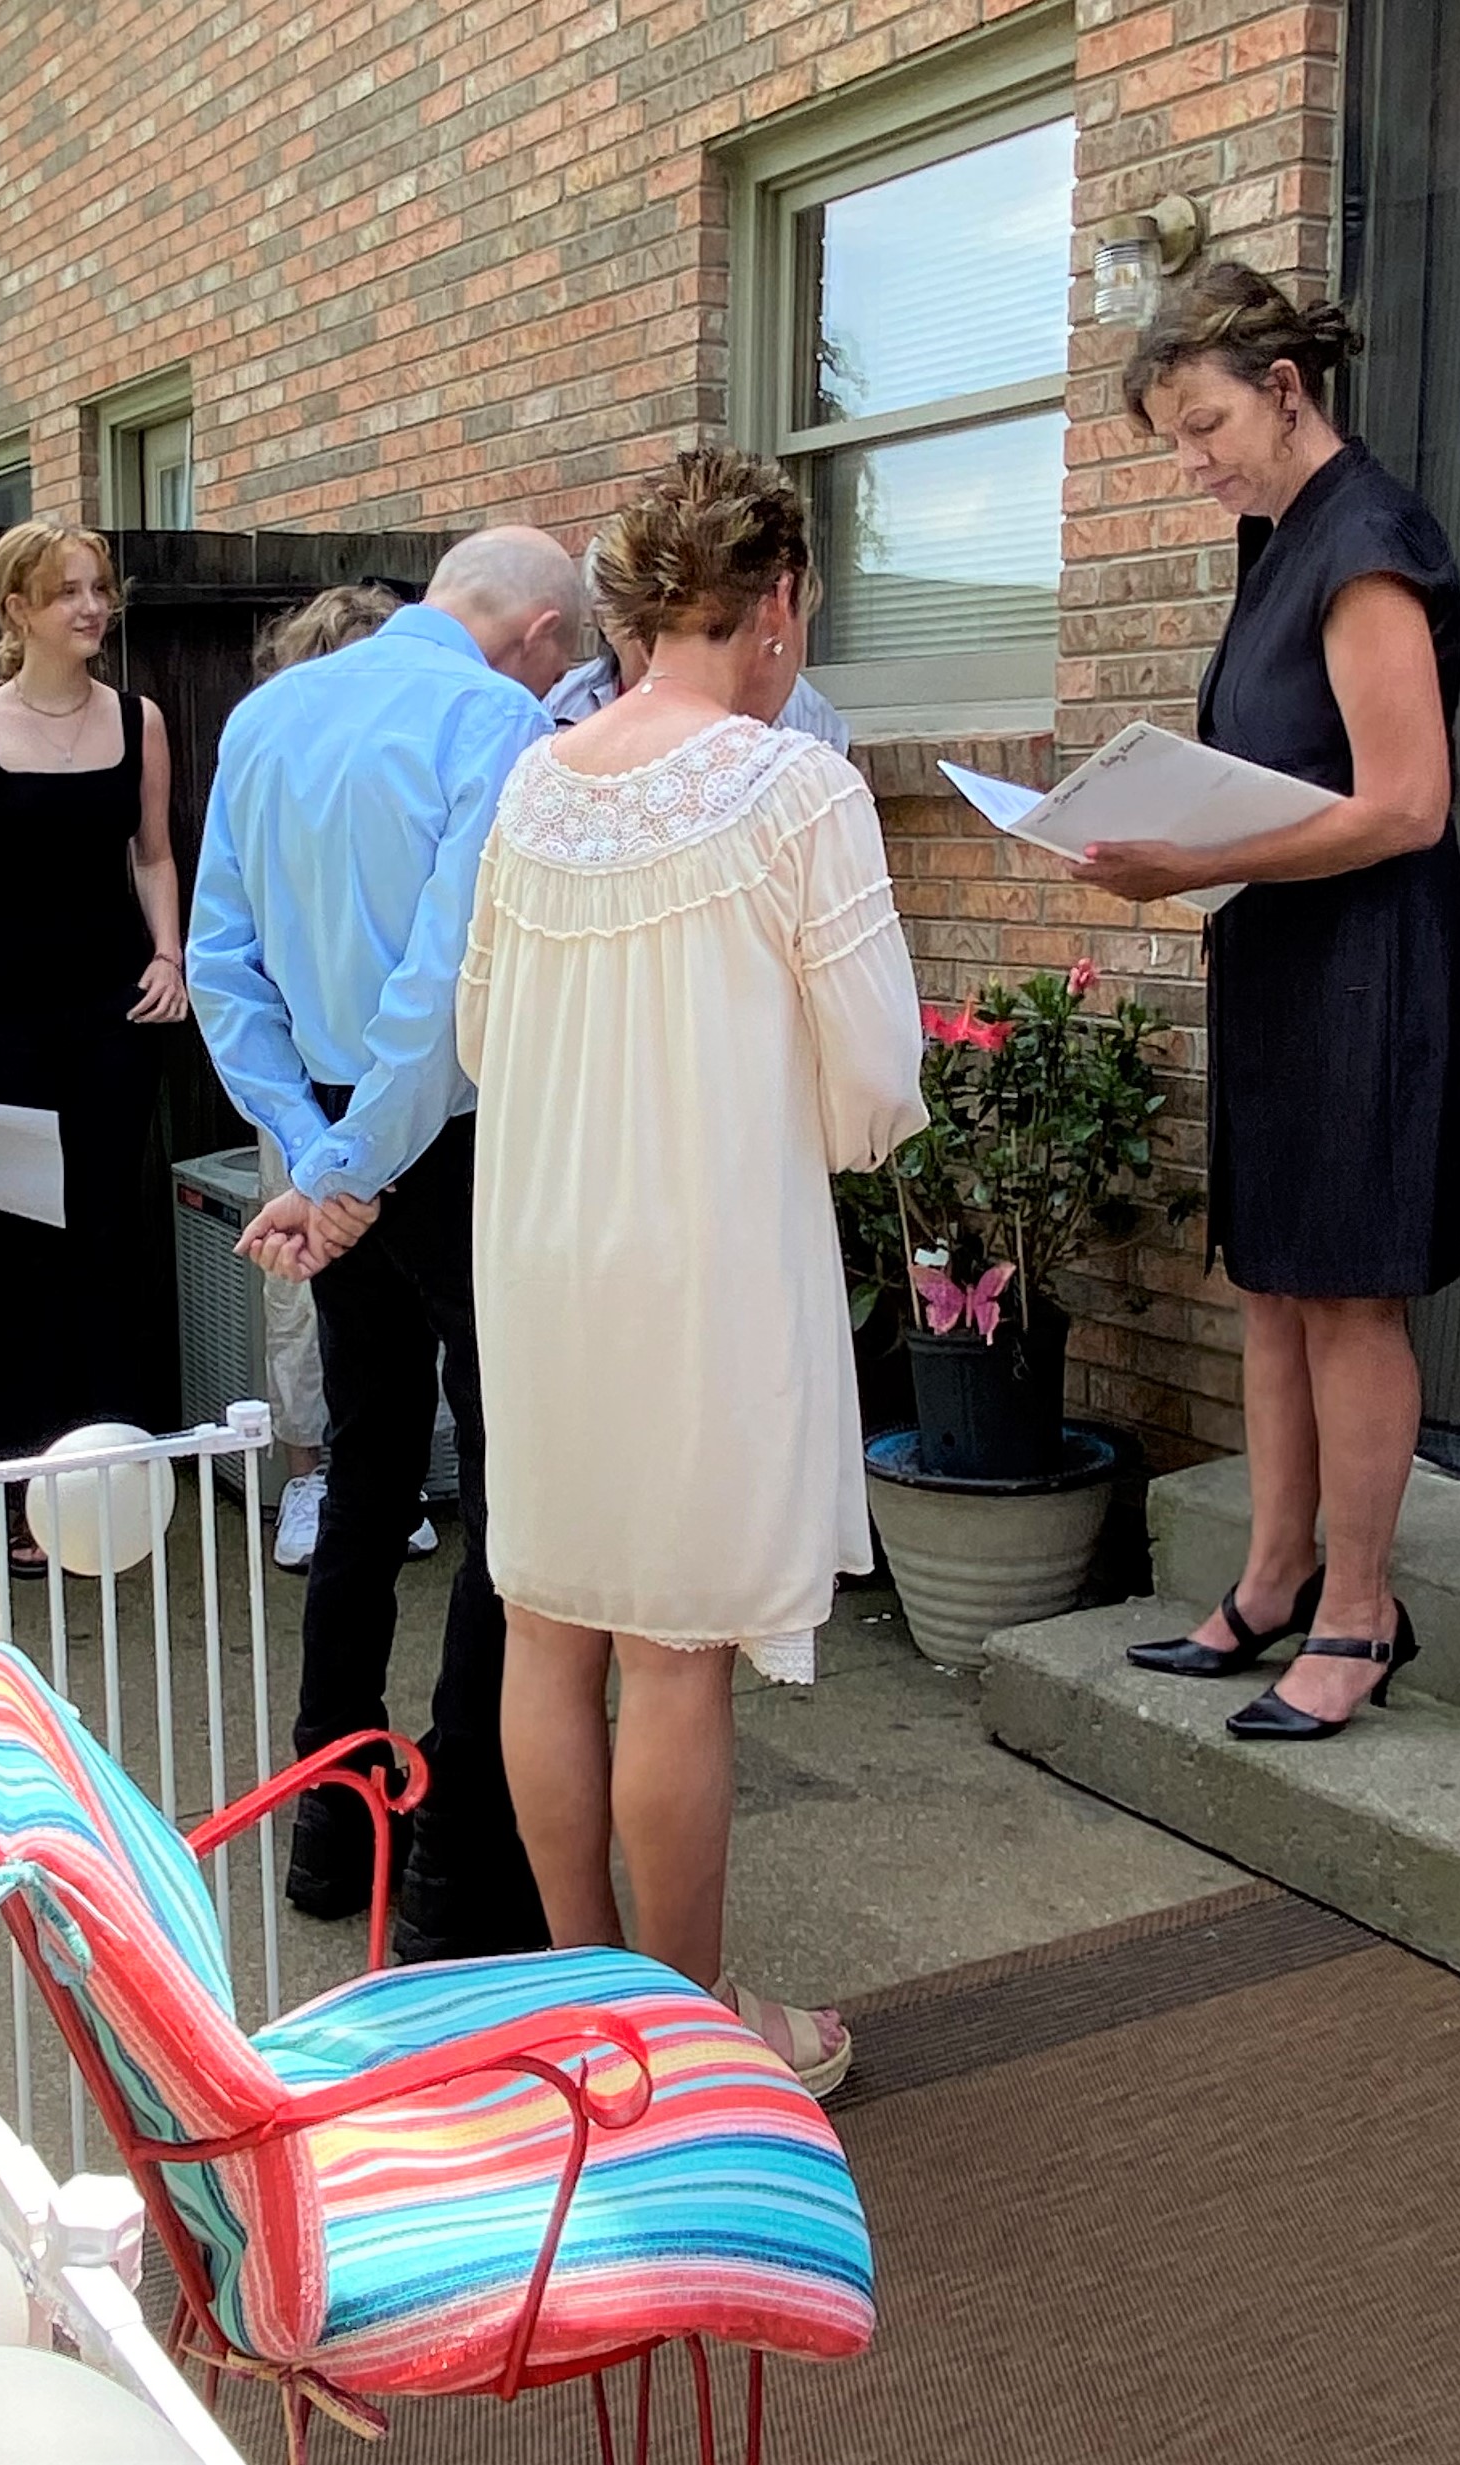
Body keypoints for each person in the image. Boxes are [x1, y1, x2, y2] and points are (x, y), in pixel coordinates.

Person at [461, 452, 925, 2095]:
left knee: (547, 1625)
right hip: (700, 1247)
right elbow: (874, 1083)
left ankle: (589, 2015)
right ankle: (687, 2036)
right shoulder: (797, 789)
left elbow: (478, 1031)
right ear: (774, 598)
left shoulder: (532, 785)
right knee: (671, 1653)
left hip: (537, 1245)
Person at [1090, 264, 1460, 1741]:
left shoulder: (1365, 538)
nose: (1193, 464)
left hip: (1369, 964)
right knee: (1270, 1280)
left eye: (1205, 428)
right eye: (1172, 442)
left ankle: (1361, 1613)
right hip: (1279, 957)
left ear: (1284, 389)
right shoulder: (1276, 541)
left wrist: (1192, 861)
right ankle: (1271, 1577)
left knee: (1348, 1293)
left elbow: (1406, 804)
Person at [188, 526, 585, 1963]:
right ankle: (456, 1865)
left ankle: (330, 1819)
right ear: (541, 635)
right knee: (509, 1484)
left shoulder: (264, 715)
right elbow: (447, 972)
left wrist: (313, 1151)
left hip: (323, 1126)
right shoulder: (495, 721)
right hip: (449, 1136)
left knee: (365, 1467)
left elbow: (221, 962)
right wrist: (355, 1165)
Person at [0, 522, 189, 1567]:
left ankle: (117, 1486)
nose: (90, 607)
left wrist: (169, 954)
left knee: (110, 1242)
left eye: (99, 588)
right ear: (16, 610)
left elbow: (154, 856)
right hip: (4, 1026)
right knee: (28, 1254)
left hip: (115, 1018)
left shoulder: (139, 719)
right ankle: (37, 1494)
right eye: (66, 591)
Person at [241, 584, 430, 1575]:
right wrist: (319, 1148)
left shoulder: (414, 777)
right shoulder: (274, 776)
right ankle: (314, 1473)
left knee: (412, 1290)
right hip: (308, 1082)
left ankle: (394, 1476)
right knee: (307, 1287)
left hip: (414, 1081)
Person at [545, 521, 854, 750]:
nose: (654, 626)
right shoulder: (561, 705)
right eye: (632, 613)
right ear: (602, 620)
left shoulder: (800, 707)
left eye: (669, 602)